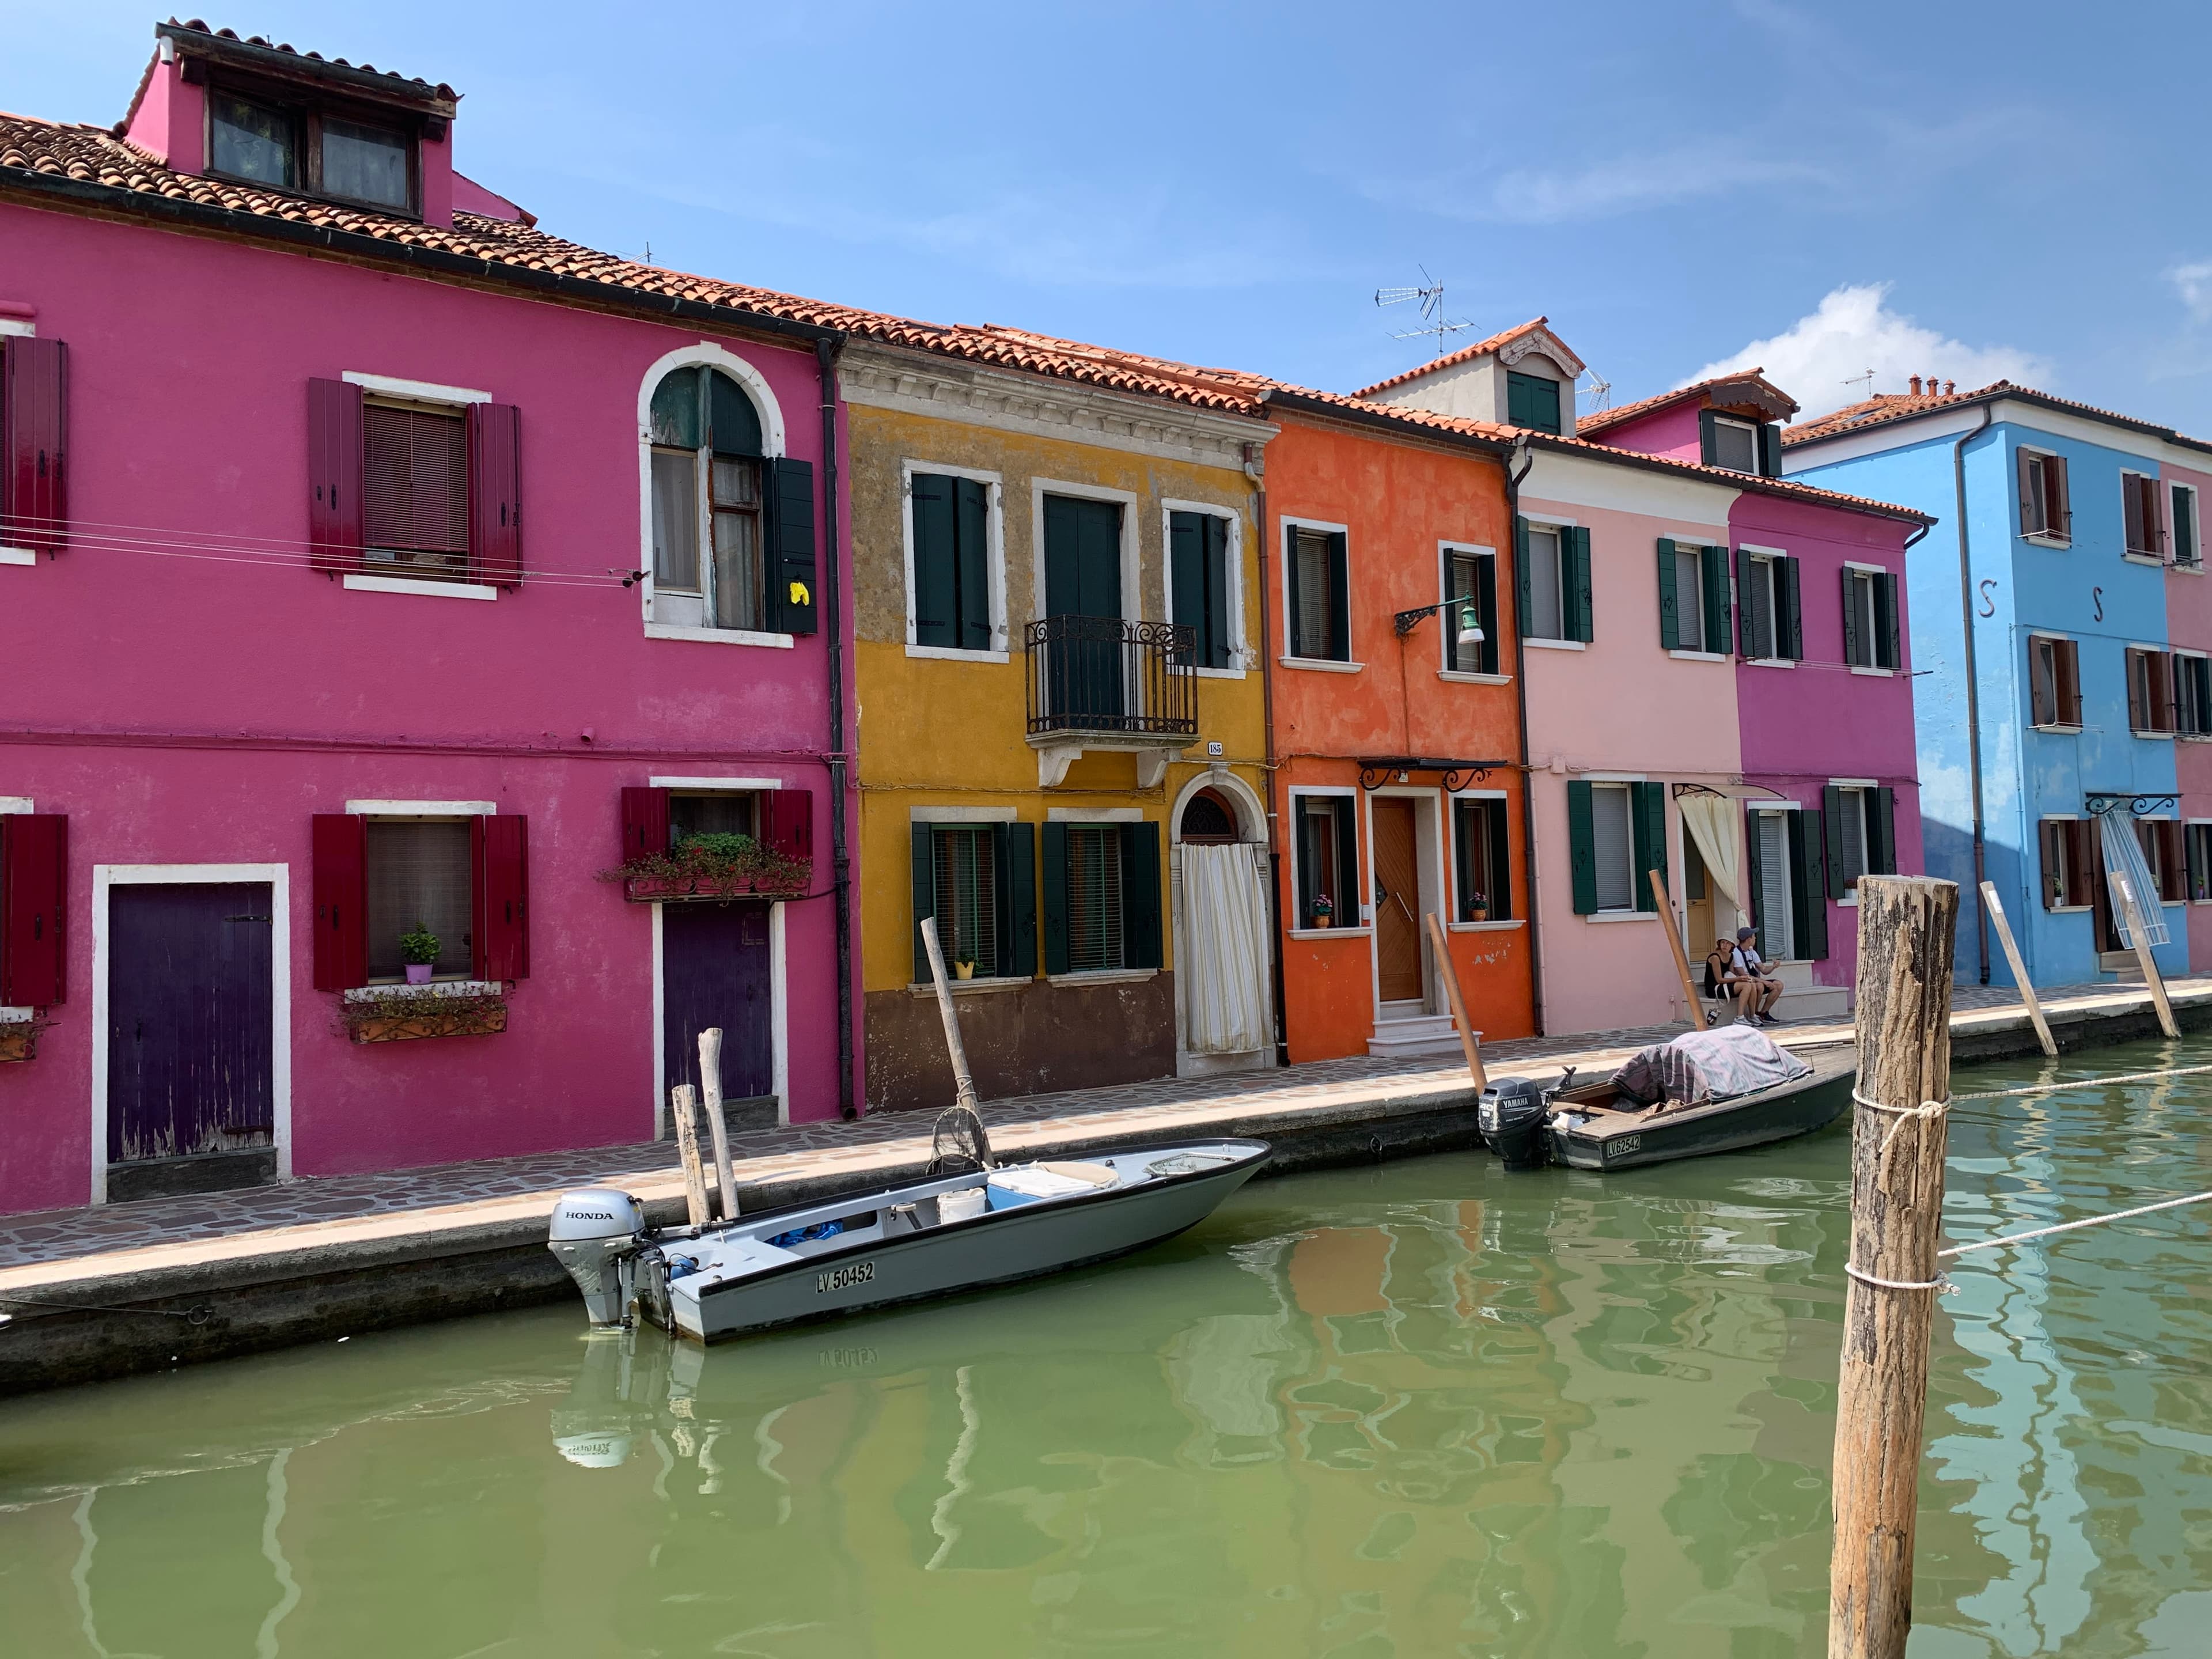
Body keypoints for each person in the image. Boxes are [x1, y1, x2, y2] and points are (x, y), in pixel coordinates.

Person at [1729, 926, 1785, 1024]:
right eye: (1754, 936)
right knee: (1759, 986)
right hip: (1746, 982)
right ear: (1748, 939)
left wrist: (1773, 967)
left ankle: (1764, 1013)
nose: (1755, 938)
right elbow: (1743, 974)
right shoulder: (1736, 953)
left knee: (1778, 985)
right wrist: (1763, 981)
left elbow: (1763, 970)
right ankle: (1754, 1013)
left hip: (1755, 980)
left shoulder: (1752, 952)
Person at [1706, 936, 1762, 1024]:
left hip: (1725, 985)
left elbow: (1731, 974)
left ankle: (1752, 1015)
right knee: (1747, 985)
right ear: (1719, 944)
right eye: (1723, 943)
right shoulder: (1715, 957)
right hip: (1715, 987)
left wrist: (1741, 978)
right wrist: (1739, 978)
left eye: (1728, 943)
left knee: (1752, 984)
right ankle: (1739, 1017)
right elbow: (1719, 980)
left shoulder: (1731, 956)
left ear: (1732, 946)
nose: (1725, 945)